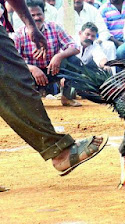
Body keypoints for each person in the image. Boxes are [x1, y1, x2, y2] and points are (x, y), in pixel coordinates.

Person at [0, 0, 108, 190]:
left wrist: (30, 25)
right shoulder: (20, 35)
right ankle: (58, 151)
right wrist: (30, 25)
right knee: (15, 79)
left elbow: (72, 47)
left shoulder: (54, 28)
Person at [13, 0, 82, 106]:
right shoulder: (18, 34)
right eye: (32, 15)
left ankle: (67, 97)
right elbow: (13, 61)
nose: (36, 18)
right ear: (25, 18)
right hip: (31, 76)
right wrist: (32, 68)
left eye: (39, 14)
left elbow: (75, 47)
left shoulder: (55, 27)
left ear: (44, 14)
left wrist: (58, 56)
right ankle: (27, 101)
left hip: (53, 70)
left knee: (74, 61)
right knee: (15, 71)